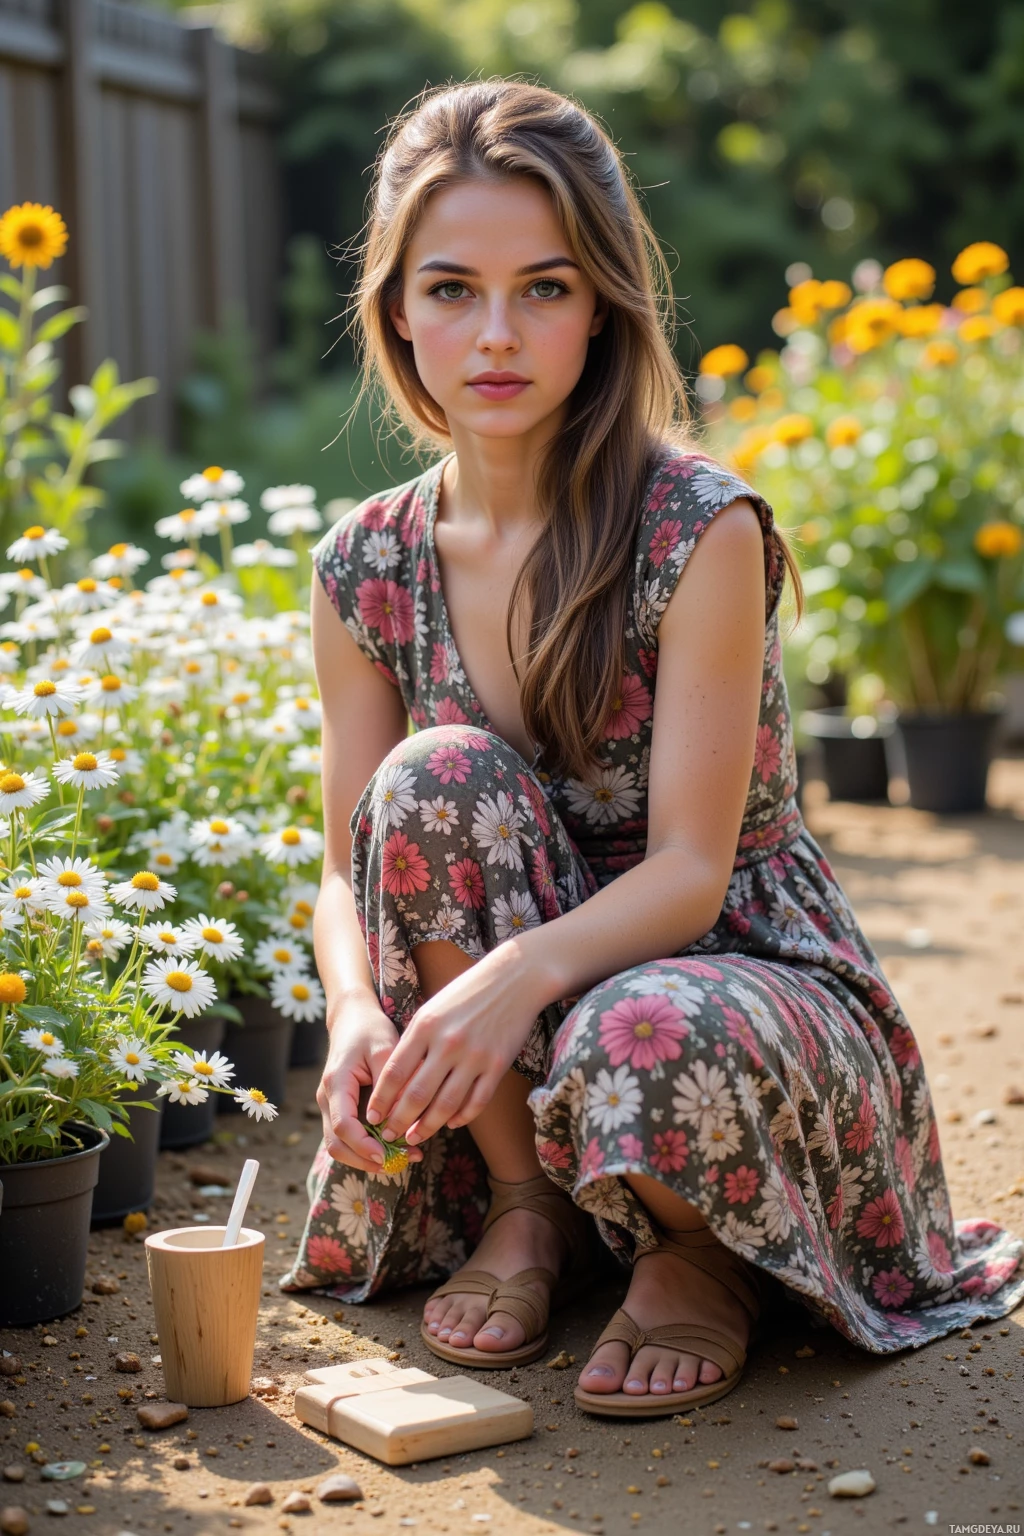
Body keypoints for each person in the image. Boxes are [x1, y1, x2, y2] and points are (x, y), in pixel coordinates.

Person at [283, 78, 1024, 1416]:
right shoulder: (364, 567)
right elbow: (350, 862)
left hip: (729, 972)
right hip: (526, 1022)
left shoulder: (701, 528)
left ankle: (698, 1251)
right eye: (451, 289)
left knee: (638, 1019)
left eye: (545, 288)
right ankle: (532, 1206)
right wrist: (349, 1007)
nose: (494, 335)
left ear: (606, 303)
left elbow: (690, 867)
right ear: (398, 307)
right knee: (427, 783)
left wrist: (517, 977)